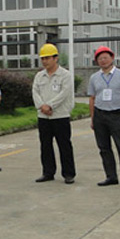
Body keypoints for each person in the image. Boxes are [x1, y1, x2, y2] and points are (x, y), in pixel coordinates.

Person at [87, 46, 120, 191]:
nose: (103, 60)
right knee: (104, 148)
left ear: (112, 58)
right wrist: (93, 117)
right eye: (100, 58)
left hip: (117, 114)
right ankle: (111, 176)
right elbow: (92, 98)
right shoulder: (94, 77)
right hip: (100, 115)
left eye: (105, 57)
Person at [32, 44, 76, 184]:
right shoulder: (39, 76)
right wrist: (42, 106)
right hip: (43, 117)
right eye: (43, 58)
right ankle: (48, 172)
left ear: (55, 58)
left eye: (47, 58)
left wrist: (50, 105)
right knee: (45, 145)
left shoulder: (65, 75)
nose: (45, 61)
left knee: (64, 145)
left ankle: (68, 174)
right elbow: (35, 92)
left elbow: (64, 93)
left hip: (60, 116)